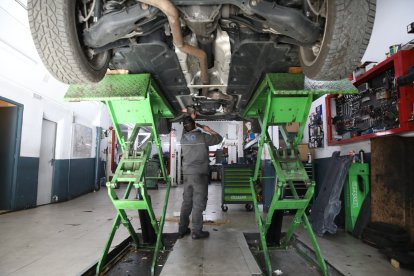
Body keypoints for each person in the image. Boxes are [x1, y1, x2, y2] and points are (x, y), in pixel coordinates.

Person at [178, 116, 223, 239]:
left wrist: (189, 119)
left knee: (186, 202)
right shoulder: (203, 137)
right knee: (198, 203)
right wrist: (208, 129)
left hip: (187, 175)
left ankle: (182, 229)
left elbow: (186, 128)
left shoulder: (183, 139)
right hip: (200, 174)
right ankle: (196, 231)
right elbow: (219, 138)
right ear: (194, 125)